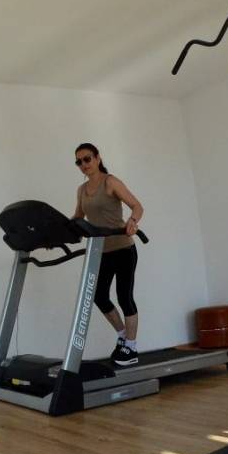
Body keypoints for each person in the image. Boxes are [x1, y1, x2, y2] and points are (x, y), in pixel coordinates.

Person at [71, 142, 145, 366]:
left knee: (124, 297)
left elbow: (137, 206)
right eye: (79, 162)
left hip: (123, 248)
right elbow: (77, 218)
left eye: (87, 159)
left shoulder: (110, 182)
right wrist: (58, 233)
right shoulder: (81, 190)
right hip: (101, 251)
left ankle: (131, 347)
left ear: (97, 158)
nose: (84, 164)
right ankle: (123, 336)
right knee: (99, 296)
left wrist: (132, 221)